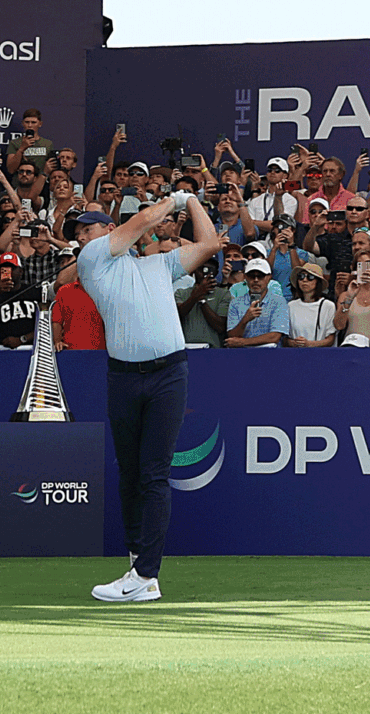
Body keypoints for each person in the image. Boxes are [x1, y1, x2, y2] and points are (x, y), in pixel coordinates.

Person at [75, 192, 223, 603]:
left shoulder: (160, 264)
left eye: (89, 228)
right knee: (131, 475)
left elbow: (210, 244)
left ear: (108, 229)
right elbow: (142, 221)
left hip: (169, 374)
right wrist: (173, 198)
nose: (82, 236)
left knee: (154, 474)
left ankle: (145, 575)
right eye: (79, 232)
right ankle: (139, 565)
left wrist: (191, 199)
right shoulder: (92, 260)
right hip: (124, 378)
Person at [285, 262, 337, 347]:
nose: (304, 280)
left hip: (320, 355)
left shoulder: (328, 305)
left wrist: (310, 344)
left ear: (318, 282)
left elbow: (331, 339)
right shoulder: (291, 305)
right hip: (296, 354)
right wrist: (294, 343)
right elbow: (285, 338)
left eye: (310, 277)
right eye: (301, 277)